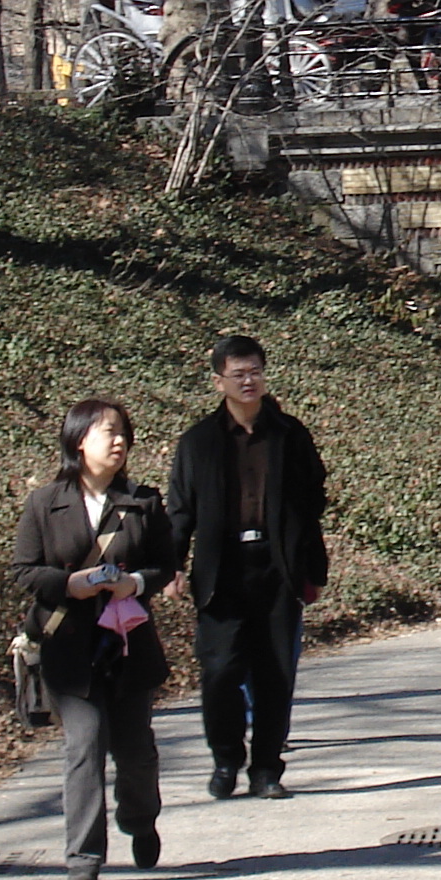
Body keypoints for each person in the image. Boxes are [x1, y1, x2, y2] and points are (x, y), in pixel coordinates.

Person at [13, 398, 178, 880]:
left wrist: (136, 584)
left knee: (135, 750)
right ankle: (83, 855)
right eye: (109, 432)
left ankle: (139, 818)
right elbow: (25, 571)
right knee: (83, 745)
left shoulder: (143, 502)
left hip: (127, 645)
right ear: (79, 439)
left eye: (124, 432)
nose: (120, 441)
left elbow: (164, 565)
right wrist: (71, 584)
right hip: (70, 647)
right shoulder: (45, 503)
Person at [169, 335, 329, 800]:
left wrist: (310, 566)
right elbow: (181, 510)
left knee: (275, 672)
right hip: (222, 571)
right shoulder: (198, 442)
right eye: (238, 373)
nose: (248, 381)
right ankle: (225, 758)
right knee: (218, 671)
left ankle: (266, 768)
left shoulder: (289, 434)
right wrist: (172, 565)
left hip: (276, 568)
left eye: (255, 371)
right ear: (218, 379)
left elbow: (312, 500)